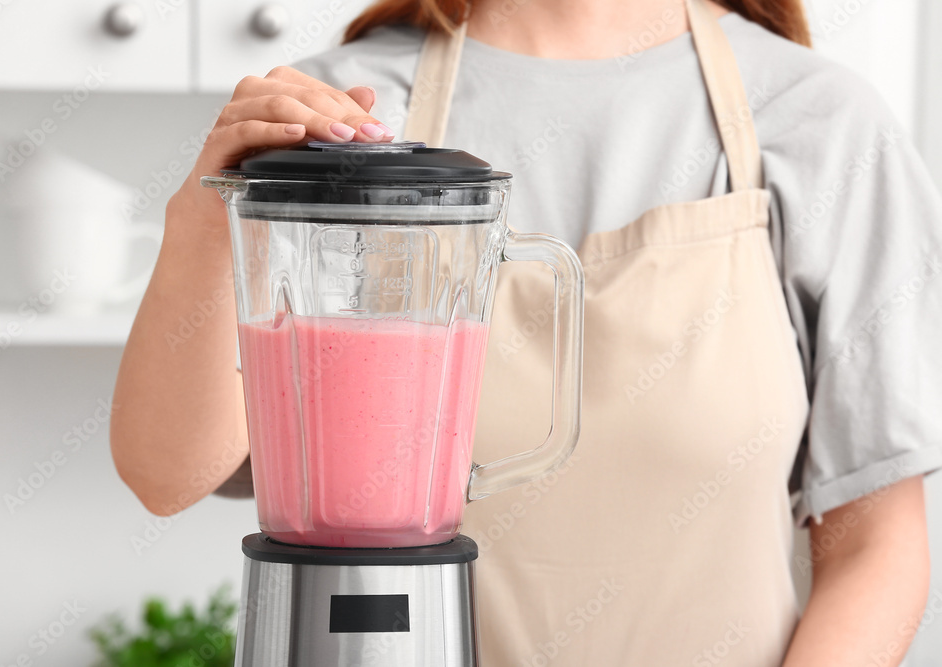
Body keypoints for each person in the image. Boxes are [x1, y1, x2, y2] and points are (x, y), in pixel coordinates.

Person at [111, 0, 942, 664]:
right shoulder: (346, 119)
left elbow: (875, 543)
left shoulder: (825, 125)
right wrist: (201, 223)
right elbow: (165, 475)